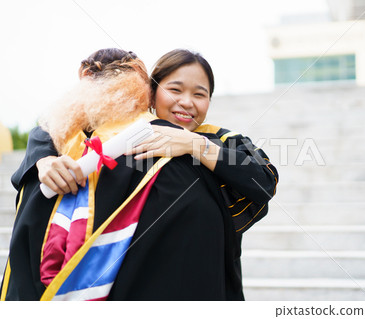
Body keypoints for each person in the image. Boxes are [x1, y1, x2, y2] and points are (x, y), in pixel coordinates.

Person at [1, 48, 278, 301]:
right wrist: (44, 159)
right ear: (150, 92)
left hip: (203, 277)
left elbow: (264, 180)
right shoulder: (122, 137)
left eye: (199, 94)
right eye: (175, 89)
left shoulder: (219, 139)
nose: (187, 102)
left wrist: (194, 145)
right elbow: (49, 130)